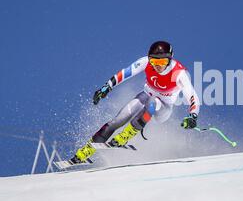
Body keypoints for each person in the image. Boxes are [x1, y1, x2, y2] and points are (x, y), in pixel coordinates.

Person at [69, 40, 200, 164]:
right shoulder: (146, 62)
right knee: (117, 121)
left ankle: (126, 135)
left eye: (163, 61)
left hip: (163, 108)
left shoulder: (178, 73)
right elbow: (125, 73)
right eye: (154, 61)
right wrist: (107, 87)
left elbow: (192, 96)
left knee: (153, 101)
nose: (158, 66)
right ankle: (84, 152)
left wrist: (192, 116)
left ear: (169, 60)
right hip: (145, 96)